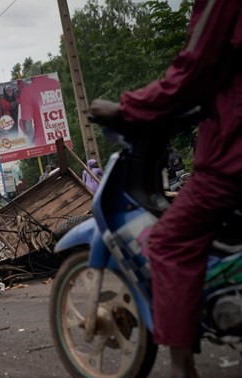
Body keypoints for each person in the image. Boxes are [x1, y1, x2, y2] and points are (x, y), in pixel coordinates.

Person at [89, 2, 242, 376]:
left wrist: (127, 108)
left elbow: (193, 70)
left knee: (169, 243)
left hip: (232, 156)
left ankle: (180, 367)